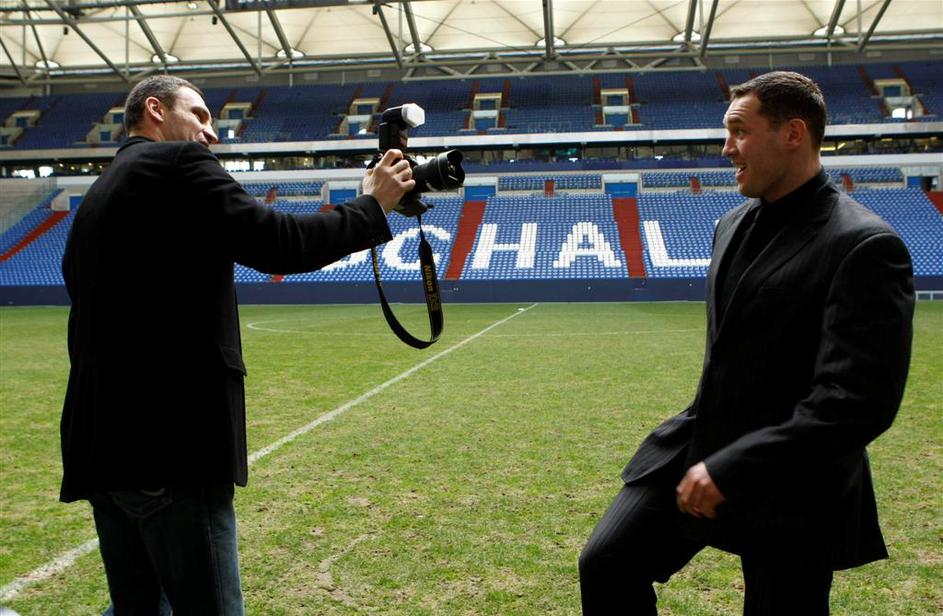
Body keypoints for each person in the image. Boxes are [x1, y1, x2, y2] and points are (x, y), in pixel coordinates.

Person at [60, 75, 415, 615]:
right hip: (170, 445)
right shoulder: (176, 163)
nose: (212, 134)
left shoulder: (101, 192)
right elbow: (283, 243)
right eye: (200, 115)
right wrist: (373, 205)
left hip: (102, 446)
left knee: (138, 608)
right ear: (155, 110)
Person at [578, 71, 914, 615]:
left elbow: (857, 403)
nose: (726, 148)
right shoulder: (730, 224)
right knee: (607, 563)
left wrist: (734, 466)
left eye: (739, 132)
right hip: (699, 444)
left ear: (793, 134)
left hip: (797, 475)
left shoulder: (864, 245)